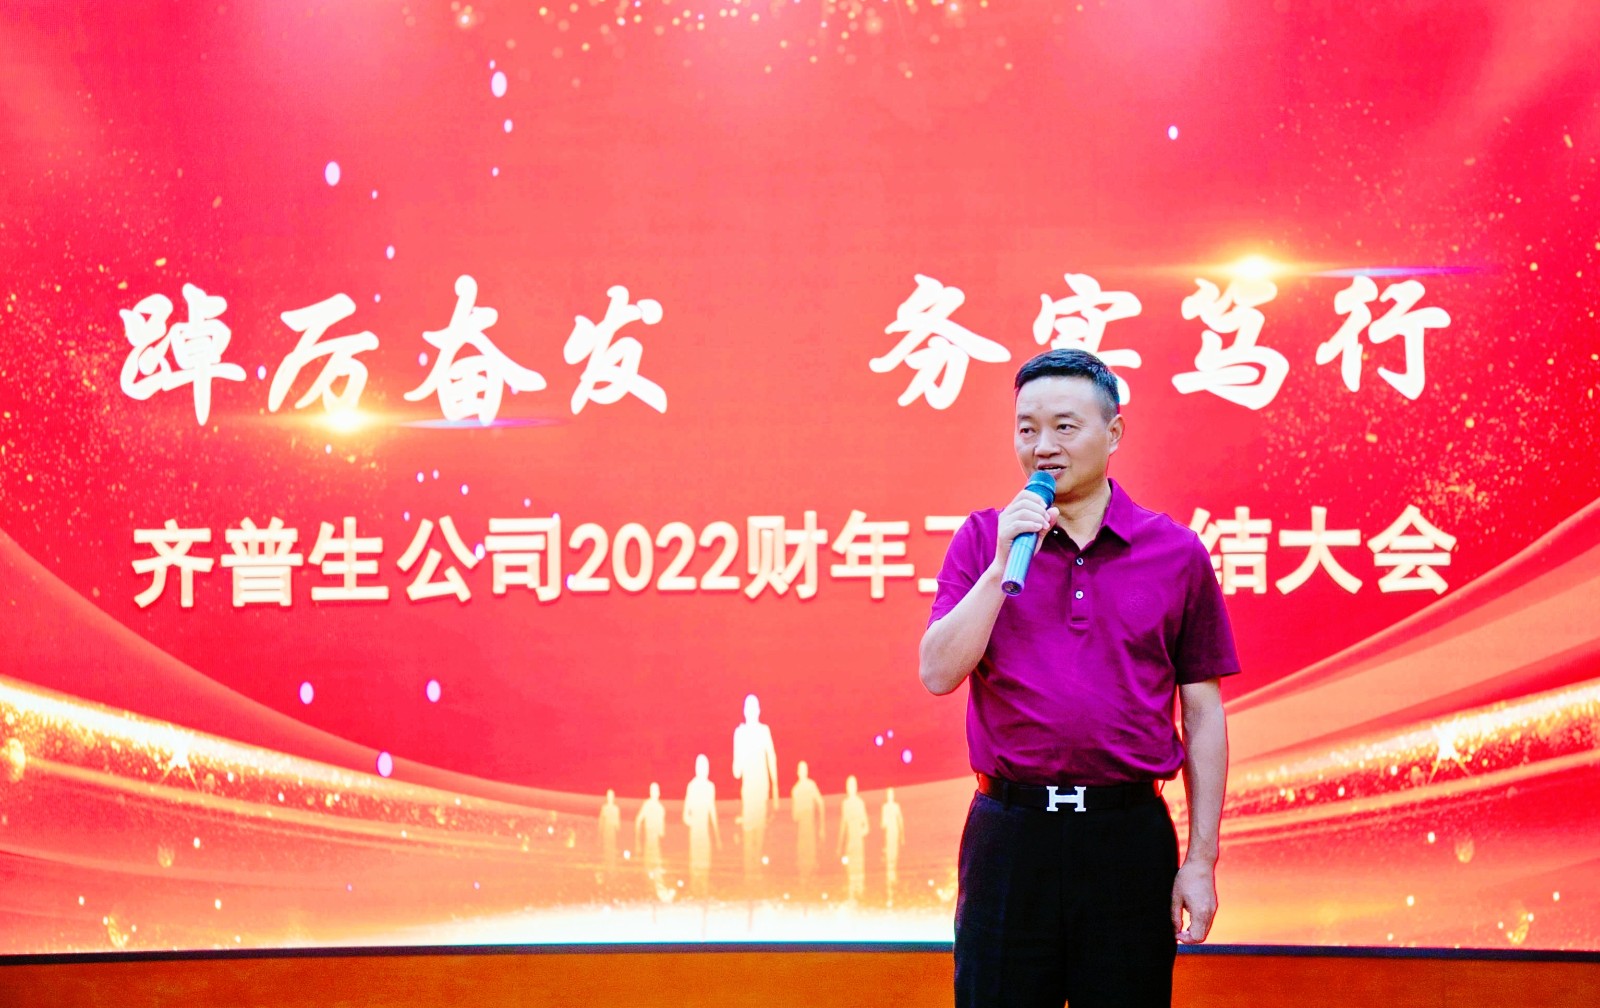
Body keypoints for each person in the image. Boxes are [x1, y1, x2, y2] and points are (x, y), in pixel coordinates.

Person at [920, 348, 1237, 1008]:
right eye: (1026, 428)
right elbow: (937, 672)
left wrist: (1201, 861)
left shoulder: (1175, 552)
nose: (1043, 446)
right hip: (1010, 836)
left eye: (1064, 426)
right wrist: (1002, 565)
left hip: (1127, 838)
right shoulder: (982, 540)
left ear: (1113, 433)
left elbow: (1204, 713)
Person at [732, 693, 780, 886]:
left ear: (758, 710)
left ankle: (756, 874)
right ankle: (749, 876)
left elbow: (771, 757)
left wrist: (775, 790)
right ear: (745, 711)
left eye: (754, 708)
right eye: (749, 708)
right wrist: (739, 756)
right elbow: (736, 770)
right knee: (748, 832)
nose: (752, 712)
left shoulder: (763, 731)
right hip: (749, 789)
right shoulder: (740, 733)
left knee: (759, 832)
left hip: (761, 790)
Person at [683, 754, 721, 898]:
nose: (704, 769)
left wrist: (717, 836)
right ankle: (695, 894)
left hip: (705, 834)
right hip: (695, 834)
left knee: (705, 865)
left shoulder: (710, 787)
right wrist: (693, 822)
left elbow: (712, 811)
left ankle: (703, 896)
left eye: (706, 766)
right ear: (697, 768)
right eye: (701, 766)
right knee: (695, 866)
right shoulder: (692, 786)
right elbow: (685, 815)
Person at [790, 760, 826, 895]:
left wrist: (822, 827)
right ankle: (803, 888)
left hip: (810, 827)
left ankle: (811, 888)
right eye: (801, 769)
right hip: (801, 830)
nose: (803, 772)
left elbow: (821, 803)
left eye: (805, 769)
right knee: (801, 859)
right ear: (798, 772)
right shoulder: (795, 790)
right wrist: (799, 811)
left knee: (811, 857)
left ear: (807, 771)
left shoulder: (811, 785)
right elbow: (794, 817)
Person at [836, 774, 870, 902]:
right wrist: (839, 845)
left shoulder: (860, 803)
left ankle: (861, 898)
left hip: (858, 843)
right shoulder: (845, 804)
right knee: (850, 871)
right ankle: (851, 898)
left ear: (856, 787)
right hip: (849, 842)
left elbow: (867, 826)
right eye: (849, 786)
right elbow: (843, 825)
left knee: (859, 870)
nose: (851, 788)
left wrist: (860, 833)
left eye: (853, 785)